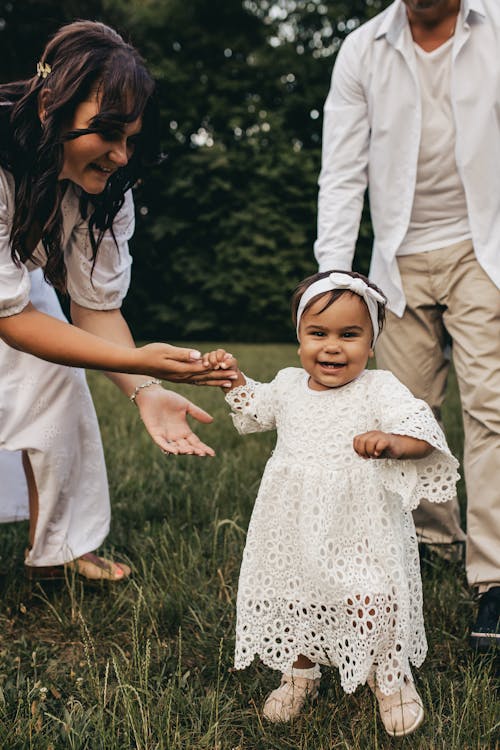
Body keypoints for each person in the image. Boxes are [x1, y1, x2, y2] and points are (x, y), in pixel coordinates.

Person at [0, 21, 237, 581]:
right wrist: (135, 360)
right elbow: (9, 319)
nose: (120, 155)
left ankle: (56, 553)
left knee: (58, 380)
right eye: (106, 132)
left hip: (11, 289)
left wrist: (146, 390)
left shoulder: (103, 190)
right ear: (49, 108)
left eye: (129, 138)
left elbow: (94, 307)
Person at [313, 0, 500, 651]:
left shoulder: (496, 28)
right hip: (397, 262)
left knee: (491, 408)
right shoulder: (363, 49)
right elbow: (342, 172)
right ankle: (433, 541)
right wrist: (336, 282)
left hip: (486, 250)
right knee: (407, 413)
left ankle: (495, 577)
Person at [203, 271, 459, 736]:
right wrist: (231, 378)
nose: (332, 347)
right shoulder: (287, 384)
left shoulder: (379, 388)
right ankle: (300, 671)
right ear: (299, 338)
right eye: (318, 334)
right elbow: (254, 406)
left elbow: (423, 434)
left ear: (372, 342)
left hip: (359, 524)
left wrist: (394, 442)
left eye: (350, 334)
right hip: (294, 522)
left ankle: (389, 674)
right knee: (296, 594)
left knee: (371, 596)